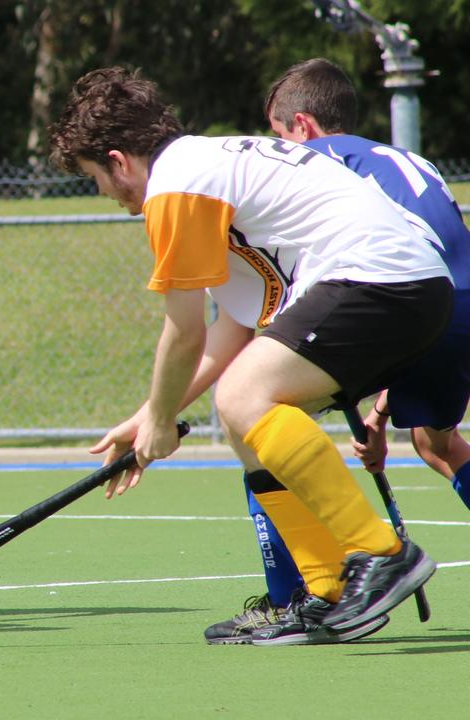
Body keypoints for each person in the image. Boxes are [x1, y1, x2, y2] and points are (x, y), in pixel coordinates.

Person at [50, 66, 451, 645]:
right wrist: (148, 415)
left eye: (96, 178)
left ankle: (380, 554)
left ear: (119, 160)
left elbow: (183, 332)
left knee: (242, 396)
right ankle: (327, 589)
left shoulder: (176, 186)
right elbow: (230, 331)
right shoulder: (207, 167)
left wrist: (163, 423)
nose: (105, 195)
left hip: (380, 282)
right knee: (242, 413)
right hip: (403, 287)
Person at [198, 58, 470, 645]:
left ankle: (296, 598)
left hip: (391, 294)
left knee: (260, 411)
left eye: (278, 136)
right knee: (437, 442)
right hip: (449, 296)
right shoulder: (402, 158)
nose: (275, 150)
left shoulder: (309, 165)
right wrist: (379, 411)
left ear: (302, 126)